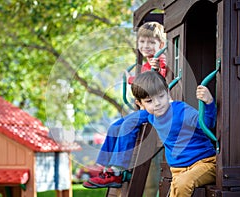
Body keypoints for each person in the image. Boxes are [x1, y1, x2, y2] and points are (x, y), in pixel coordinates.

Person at [82, 22, 167, 189]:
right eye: (142, 42)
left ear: (161, 45)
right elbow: (142, 86)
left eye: (151, 42)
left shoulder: (160, 61)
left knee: (128, 124)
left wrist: (159, 70)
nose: (146, 46)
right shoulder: (146, 65)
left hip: (158, 110)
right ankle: (105, 168)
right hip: (146, 107)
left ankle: (117, 171)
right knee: (114, 126)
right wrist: (131, 80)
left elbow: (159, 85)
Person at [131, 71, 217, 197]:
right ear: (140, 104)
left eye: (161, 96)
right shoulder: (151, 116)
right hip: (177, 170)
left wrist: (209, 102)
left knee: (182, 183)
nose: (157, 103)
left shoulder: (181, 110)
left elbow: (206, 124)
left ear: (167, 91)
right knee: (177, 187)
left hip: (204, 163)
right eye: (149, 101)